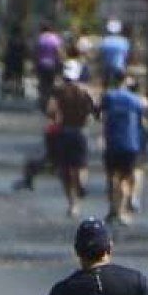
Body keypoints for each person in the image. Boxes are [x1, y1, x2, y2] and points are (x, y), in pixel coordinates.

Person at [47, 60, 97, 219]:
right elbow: (96, 109)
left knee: (65, 169)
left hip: (65, 131)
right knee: (81, 164)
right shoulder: (85, 91)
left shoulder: (60, 92)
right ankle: (81, 184)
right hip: (81, 131)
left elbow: (50, 110)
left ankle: (73, 204)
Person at [100, 73, 148, 224]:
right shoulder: (138, 101)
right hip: (131, 143)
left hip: (112, 142)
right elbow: (145, 121)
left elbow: (101, 113)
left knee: (111, 177)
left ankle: (113, 208)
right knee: (125, 179)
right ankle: (122, 210)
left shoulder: (109, 97)